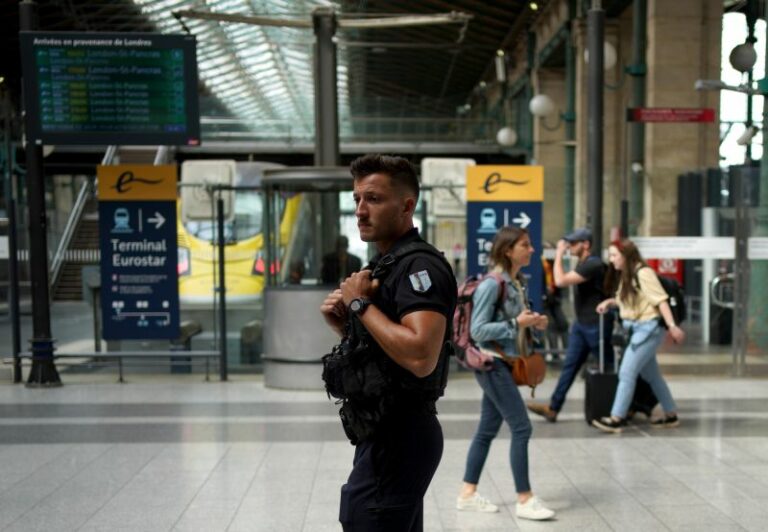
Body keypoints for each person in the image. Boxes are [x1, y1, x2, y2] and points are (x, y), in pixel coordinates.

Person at [319, 154, 456, 531]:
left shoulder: (419, 268)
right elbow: (388, 355)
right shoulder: (389, 263)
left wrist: (360, 305)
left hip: (402, 434)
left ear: (407, 205)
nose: (361, 211)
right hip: (383, 431)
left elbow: (420, 356)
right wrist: (347, 327)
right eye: (357, 200)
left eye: (374, 199)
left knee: (365, 519)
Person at [455, 226, 555, 521]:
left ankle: (467, 494)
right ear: (508, 250)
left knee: (486, 430)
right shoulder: (491, 284)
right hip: (492, 363)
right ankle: (525, 499)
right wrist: (515, 324)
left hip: (505, 362)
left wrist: (532, 323)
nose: (532, 249)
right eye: (526, 245)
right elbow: (478, 330)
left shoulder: (516, 282)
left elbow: (514, 321)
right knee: (522, 427)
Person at [592, 239, 685, 433]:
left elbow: (661, 301)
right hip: (638, 329)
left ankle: (616, 417)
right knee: (653, 376)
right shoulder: (628, 275)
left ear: (626, 256)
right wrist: (611, 302)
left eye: (614, 255)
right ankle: (671, 414)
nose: (611, 260)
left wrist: (672, 326)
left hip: (648, 330)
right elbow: (628, 301)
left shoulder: (644, 273)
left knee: (626, 373)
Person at [527, 227, 612, 422]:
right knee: (569, 366)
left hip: (596, 325)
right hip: (582, 325)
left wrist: (558, 254)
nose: (570, 246)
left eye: (574, 243)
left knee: (613, 367)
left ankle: (642, 403)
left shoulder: (594, 264)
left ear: (586, 245)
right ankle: (553, 407)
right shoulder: (584, 264)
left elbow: (561, 280)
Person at [540, 241, 569, 359]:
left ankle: (567, 351)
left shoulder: (553, 264)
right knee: (551, 326)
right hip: (544, 300)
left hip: (554, 299)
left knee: (563, 324)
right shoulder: (541, 264)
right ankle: (554, 353)